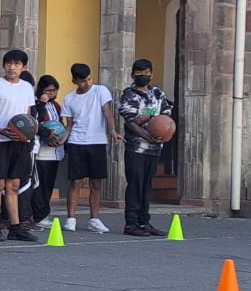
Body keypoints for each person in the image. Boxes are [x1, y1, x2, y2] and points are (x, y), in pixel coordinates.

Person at [0, 49, 37, 242]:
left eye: (17, 64)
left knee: (13, 185)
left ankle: (15, 226)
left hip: (19, 143)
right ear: (4, 65)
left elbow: (28, 118)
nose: (12, 67)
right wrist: (1, 130)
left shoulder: (27, 88)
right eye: (9, 63)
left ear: (24, 67)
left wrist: (26, 135)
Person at [60, 62, 121, 233]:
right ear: (74, 81)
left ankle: (94, 219)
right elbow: (69, 125)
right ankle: (71, 218)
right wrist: (63, 139)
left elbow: (107, 112)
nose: (87, 83)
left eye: (89, 79)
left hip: (98, 141)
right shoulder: (69, 99)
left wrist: (113, 130)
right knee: (76, 182)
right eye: (82, 81)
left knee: (96, 182)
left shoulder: (100, 91)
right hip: (77, 142)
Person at [118, 58, 175, 237]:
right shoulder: (129, 95)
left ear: (151, 73)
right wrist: (149, 134)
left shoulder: (158, 94)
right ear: (133, 74)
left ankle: (144, 222)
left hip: (155, 149)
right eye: (139, 72)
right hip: (136, 148)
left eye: (147, 72)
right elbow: (131, 123)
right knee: (135, 184)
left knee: (146, 186)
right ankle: (131, 223)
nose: (144, 75)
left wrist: (158, 134)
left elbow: (165, 117)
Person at [26, 74, 64, 228]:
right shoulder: (36, 104)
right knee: (39, 185)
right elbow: (36, 120)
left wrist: (60, 139)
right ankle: (38, 215)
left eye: (54, 91)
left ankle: (44, 212)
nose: (51, 94)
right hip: (41, 151)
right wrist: (42, 103)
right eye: (48, 91)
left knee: (48, 184)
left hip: (54, 151)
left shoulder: (56, 106)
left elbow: (60, 123)